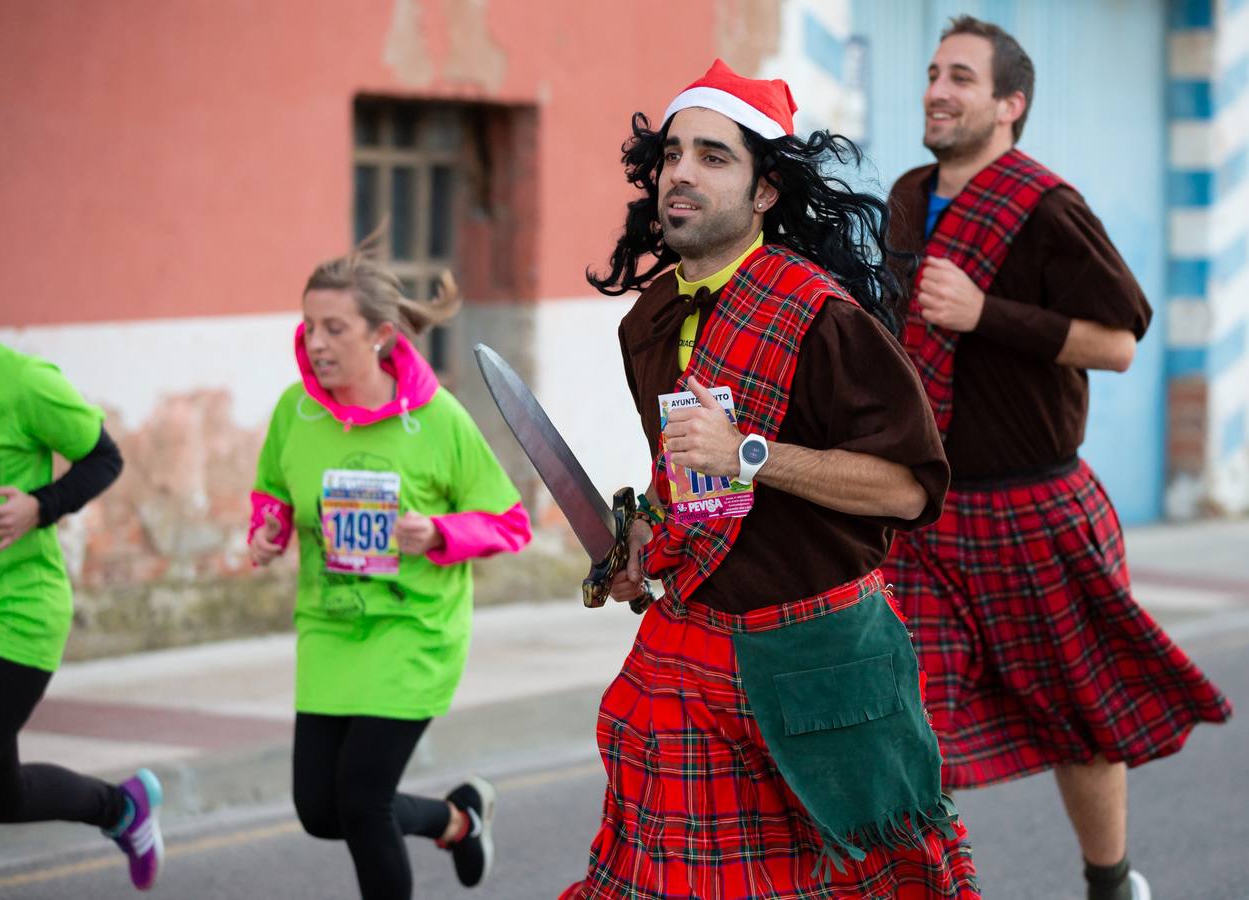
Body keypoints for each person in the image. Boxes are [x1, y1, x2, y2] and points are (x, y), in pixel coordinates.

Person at [561, 60, 980, 899]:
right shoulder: (650, 320)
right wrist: (645, 534)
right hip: (692, 650)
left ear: (764, 193)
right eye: (674, 153)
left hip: (820, 658)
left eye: (714, 156)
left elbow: (907, 490)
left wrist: (750, 452)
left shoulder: (823, 317)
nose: (681, 172)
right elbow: (685, 470)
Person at [882, 16, 1233, 900]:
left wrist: (985, 312)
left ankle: (1110, 883)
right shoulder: (905, 194)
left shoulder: (1047, 206)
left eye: (960, 76)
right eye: (932, 72)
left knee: (1081, 721)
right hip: (928, 512)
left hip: (1035, 507)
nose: (935, 89)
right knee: (908, 721)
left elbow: (1117, 342)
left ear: (1010, 104)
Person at [247, 239, 531, 899]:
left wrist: (436, 531)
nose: (315, 342)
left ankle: (451, 823)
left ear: (379, 335)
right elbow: (273, 491)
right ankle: (457, 821)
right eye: (309, 325)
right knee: (321, 811)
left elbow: (509, 522)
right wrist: (269, 529)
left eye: (334, 328)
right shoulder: (296, 411)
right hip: (330, 624)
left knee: (364, 802)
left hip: (414, 628)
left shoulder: (437, 420)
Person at [0, 213, 162, 898]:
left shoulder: (19, 380)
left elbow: (104, 457)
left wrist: (37, 505)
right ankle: (123, 808)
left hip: (11, 608)